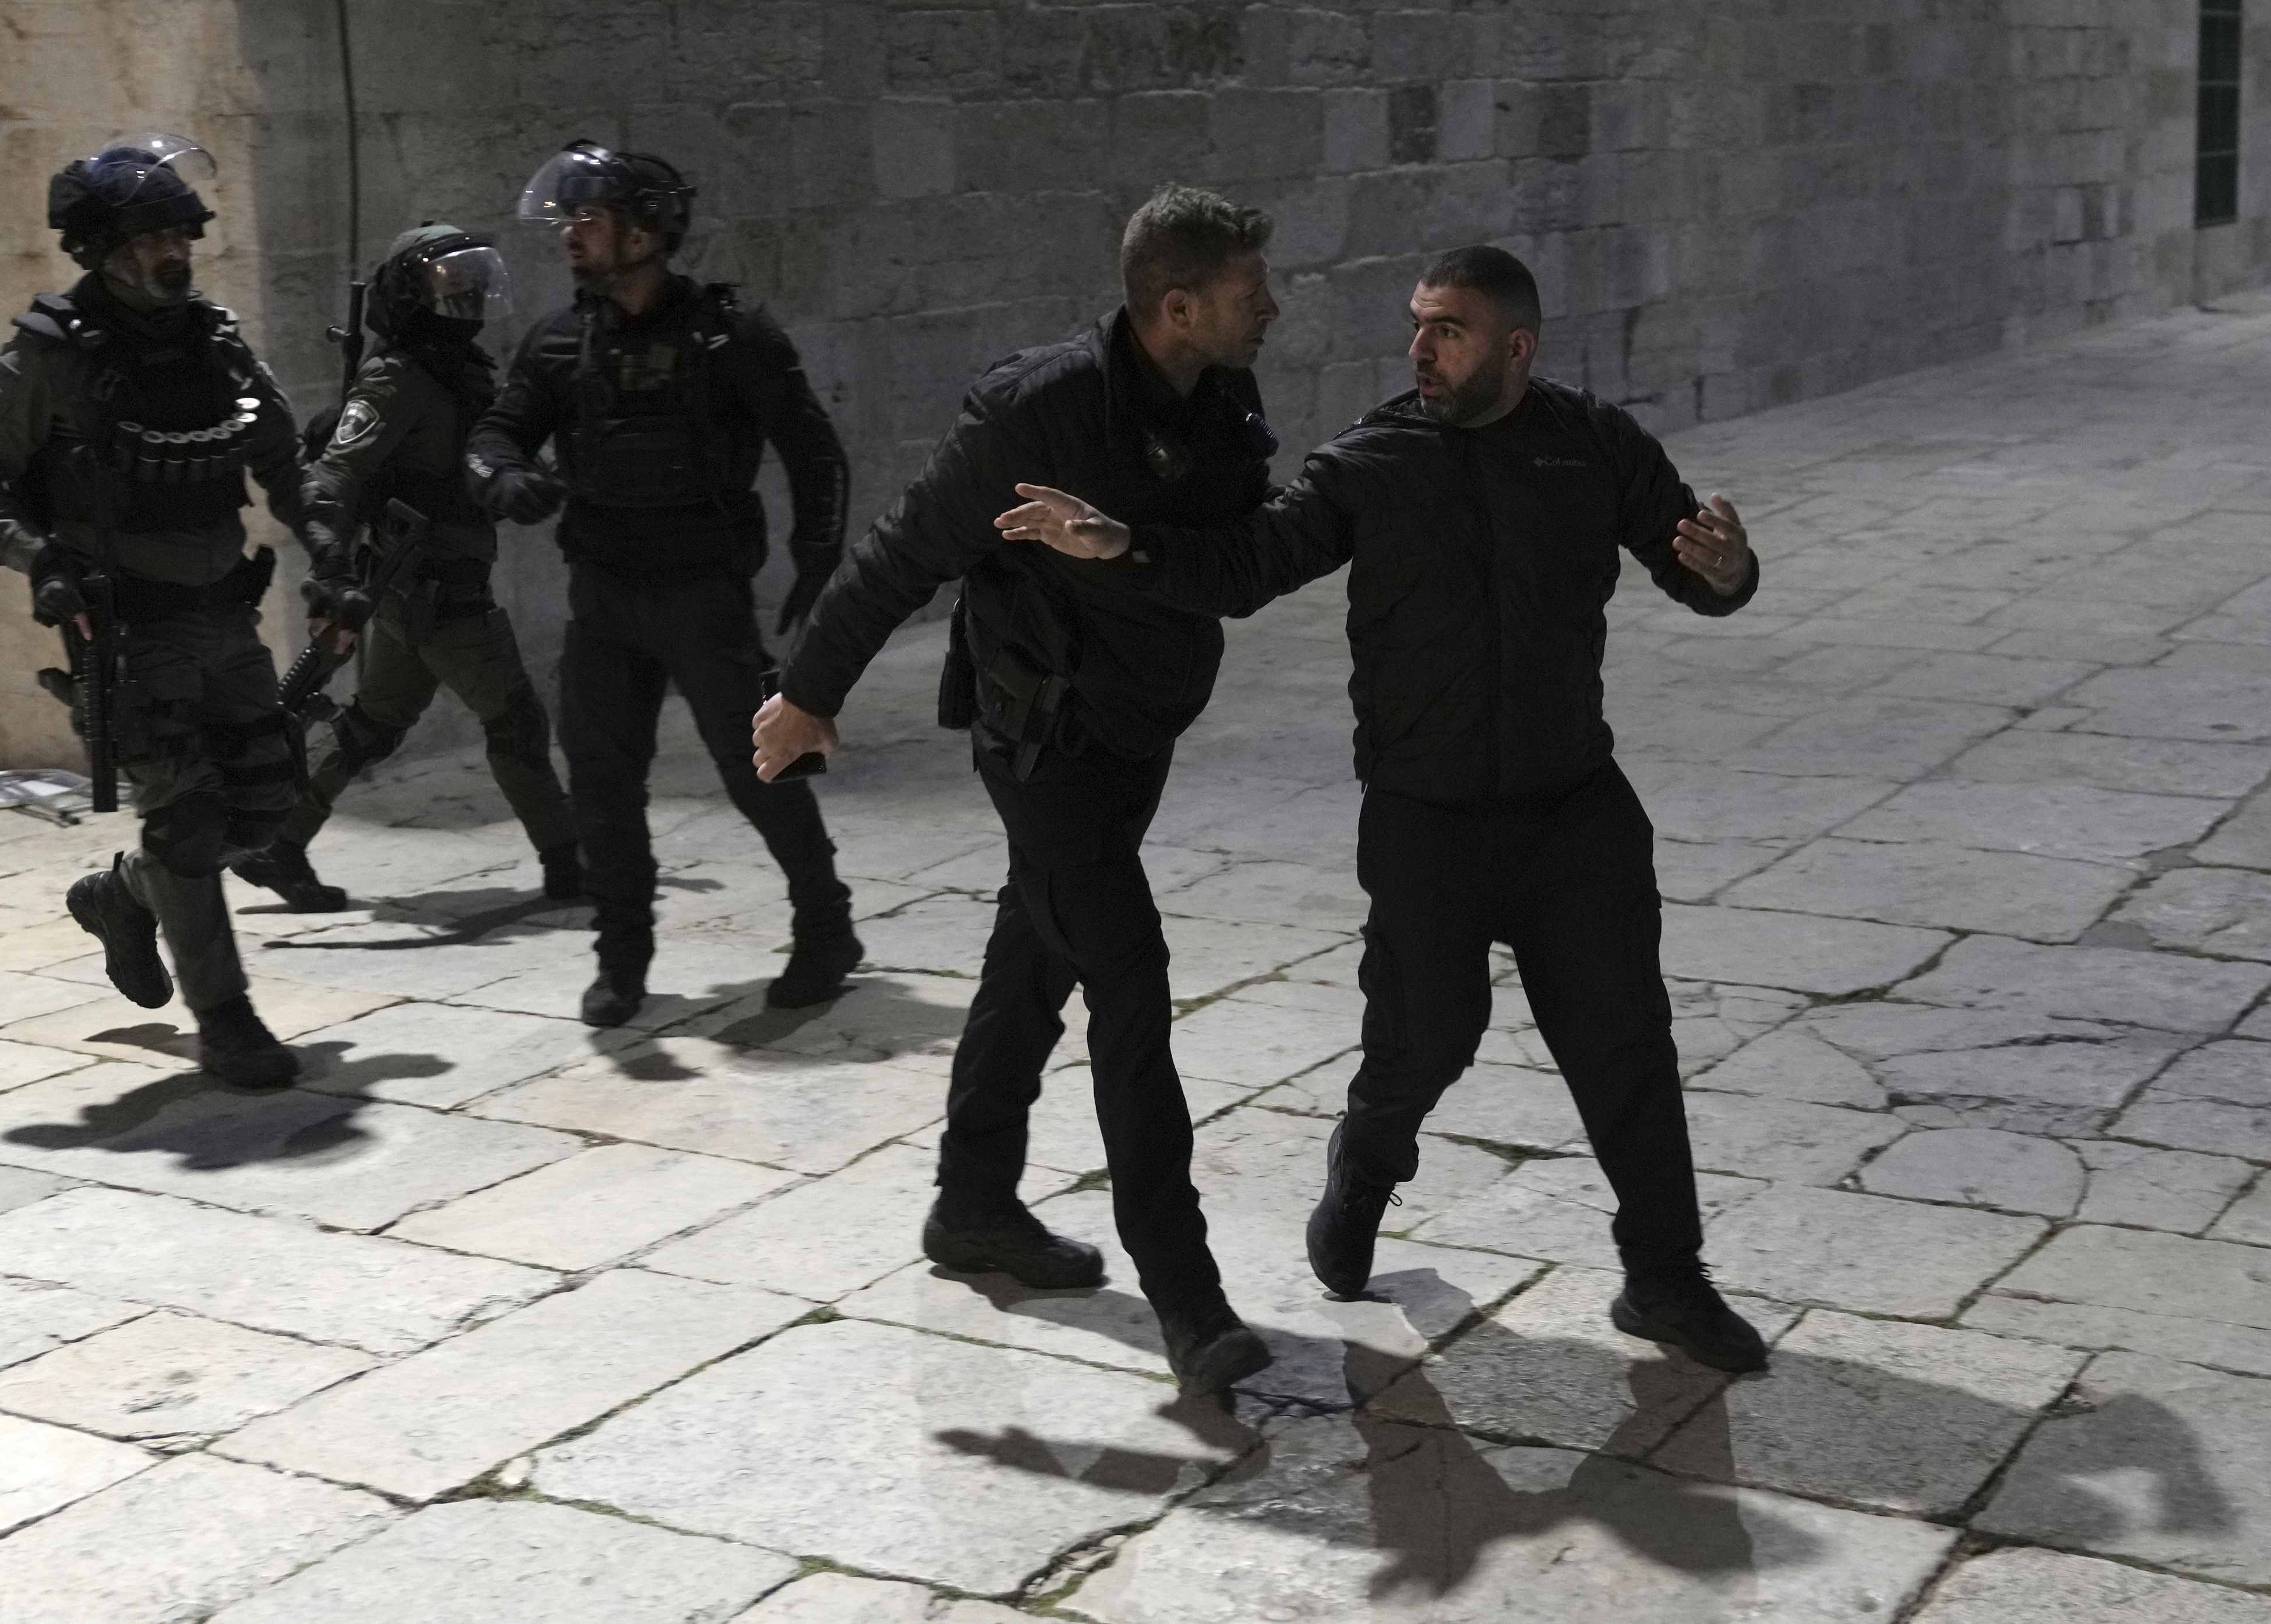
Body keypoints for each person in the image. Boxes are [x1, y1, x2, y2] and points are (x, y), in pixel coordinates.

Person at [993, 245, 1772, 1373]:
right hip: (1425, 820)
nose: (1419, 348)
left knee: (1625, 1040)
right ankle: (1363, 1167)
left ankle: (1664, 1275)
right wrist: (1125, 545)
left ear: (1515, 347)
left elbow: (1692, 565)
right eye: (1416, 325)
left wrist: (1729, 569)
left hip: (1572, 807)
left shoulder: (1592, 444)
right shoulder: (1374, 458)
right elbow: (1250, 562)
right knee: (1423, 1042)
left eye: (1447, 330)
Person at [751, 184, 1286, 1396]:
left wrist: (1130, 546)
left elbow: (1239, 569)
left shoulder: (1222, 400)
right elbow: (903, 551)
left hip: (1135, 729)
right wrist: (809, 692)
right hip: (1040, 740)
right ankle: (1188, 1298)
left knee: (1034, 952)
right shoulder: (1038, 410)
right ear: (1177, 306)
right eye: (1251, 293)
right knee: (1128, 980)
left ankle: (972, 1203)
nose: (1272, 309)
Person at [0, 134, 314, 1088]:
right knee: (186, 820)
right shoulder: (52, 354)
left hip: (226, 616)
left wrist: (337, 542)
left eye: (177, 234)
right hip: (127, 627)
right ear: (102, 251)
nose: (170, 253)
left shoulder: (214, 339)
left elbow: (282, 457)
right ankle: (226, 1019)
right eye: (147, 239)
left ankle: (122, 896)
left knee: (263, 807)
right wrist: (37, 557)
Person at [466, 142, 857, 1025]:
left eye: (588, 220)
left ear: (644, 233)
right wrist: (501, 477)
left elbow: (812, 447)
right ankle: (622, 959)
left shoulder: (730, 336)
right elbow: (496, 431)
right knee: (601, 784)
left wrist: (819, 555)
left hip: (702, 595)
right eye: (566, 219)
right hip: (604, 596)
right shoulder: (561, 340)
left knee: (763, 766)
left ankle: (826, 929)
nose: (569, 236)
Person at [232, 223, 583, 912]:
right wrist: (330, 572)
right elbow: (332, 477)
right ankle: (569, 862)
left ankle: (278, 842)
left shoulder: (455, 370)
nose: (469, 298)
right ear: (410, 295)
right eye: (452, 286)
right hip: (432, 585)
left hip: (416, 584)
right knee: (513, 719)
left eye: (474, 284)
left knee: (373, 722)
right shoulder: (398, 376)